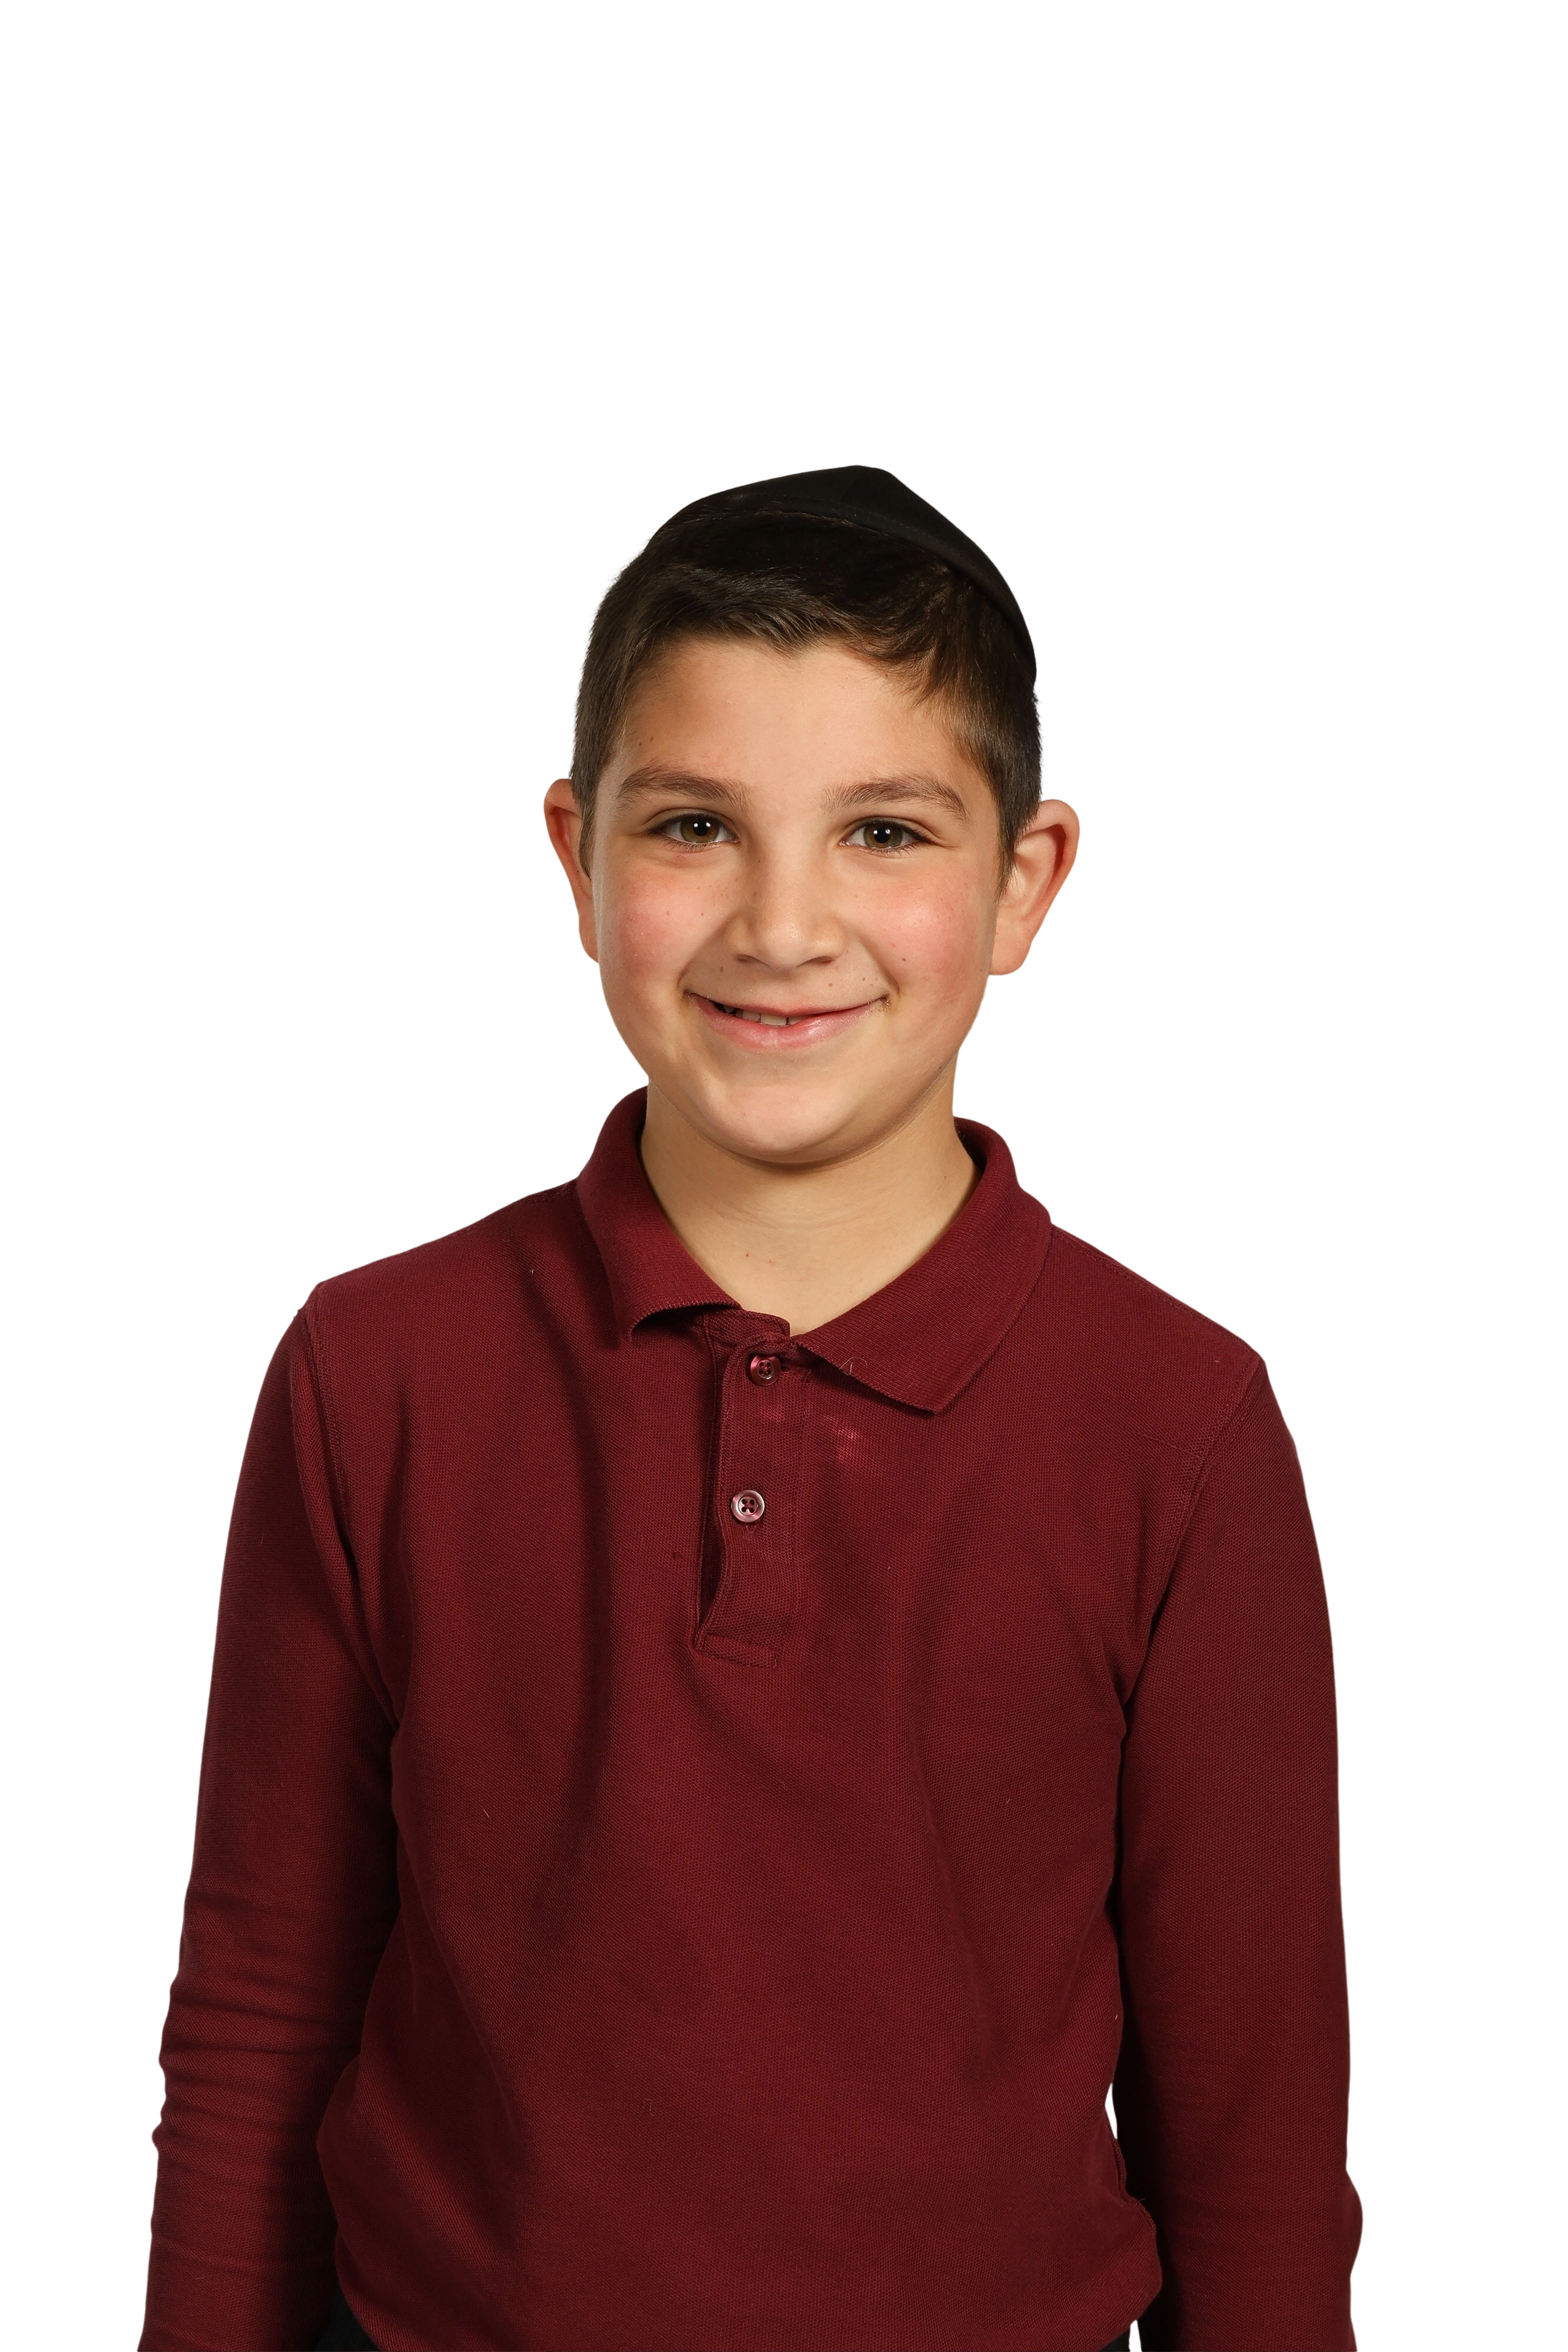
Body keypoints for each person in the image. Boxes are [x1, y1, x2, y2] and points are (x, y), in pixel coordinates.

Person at [139, 464, 1364, 2352]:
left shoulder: (1179, 1421)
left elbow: (1258, 2125)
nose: (786, 926)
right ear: (576, 857)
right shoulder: (372, 1372)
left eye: (884, 831)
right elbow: (257, 2020)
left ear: (1026, 880)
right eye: (698, 825)